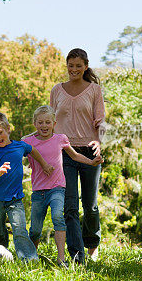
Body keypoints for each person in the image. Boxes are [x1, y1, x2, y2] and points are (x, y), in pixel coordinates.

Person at [22, 105, 103, 267]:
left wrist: (91, 162)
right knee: (35, 229)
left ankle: (61, 259)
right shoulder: (27, 142)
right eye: (40, 123)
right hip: (38, 190)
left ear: (54, 123)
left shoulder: (60, 138)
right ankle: (31, 257)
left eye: (47, 122)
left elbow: (75, 155)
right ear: (34, 124)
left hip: (57, 188)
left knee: (59, 218)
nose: (44, 126)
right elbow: (16, 151)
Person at [49, 48, 106, 264]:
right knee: (69, 205)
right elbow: (50, 121)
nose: (74, 70)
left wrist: (99, 142)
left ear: (85, 67)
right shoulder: (57, 90)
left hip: (90, 152)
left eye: (78, 66)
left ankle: (92, 245)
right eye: (70, 66)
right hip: (64, 152)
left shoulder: (94, 90)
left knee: (89, 204)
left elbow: (100, 121)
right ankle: (76, 254)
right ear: (67, 66)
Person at [0, 111, 53, 262]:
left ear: (8, 128)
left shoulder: (19, 146)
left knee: (20, 230)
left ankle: (29, 259)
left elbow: (32, 150)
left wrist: (44, 164)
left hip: (15, 200)